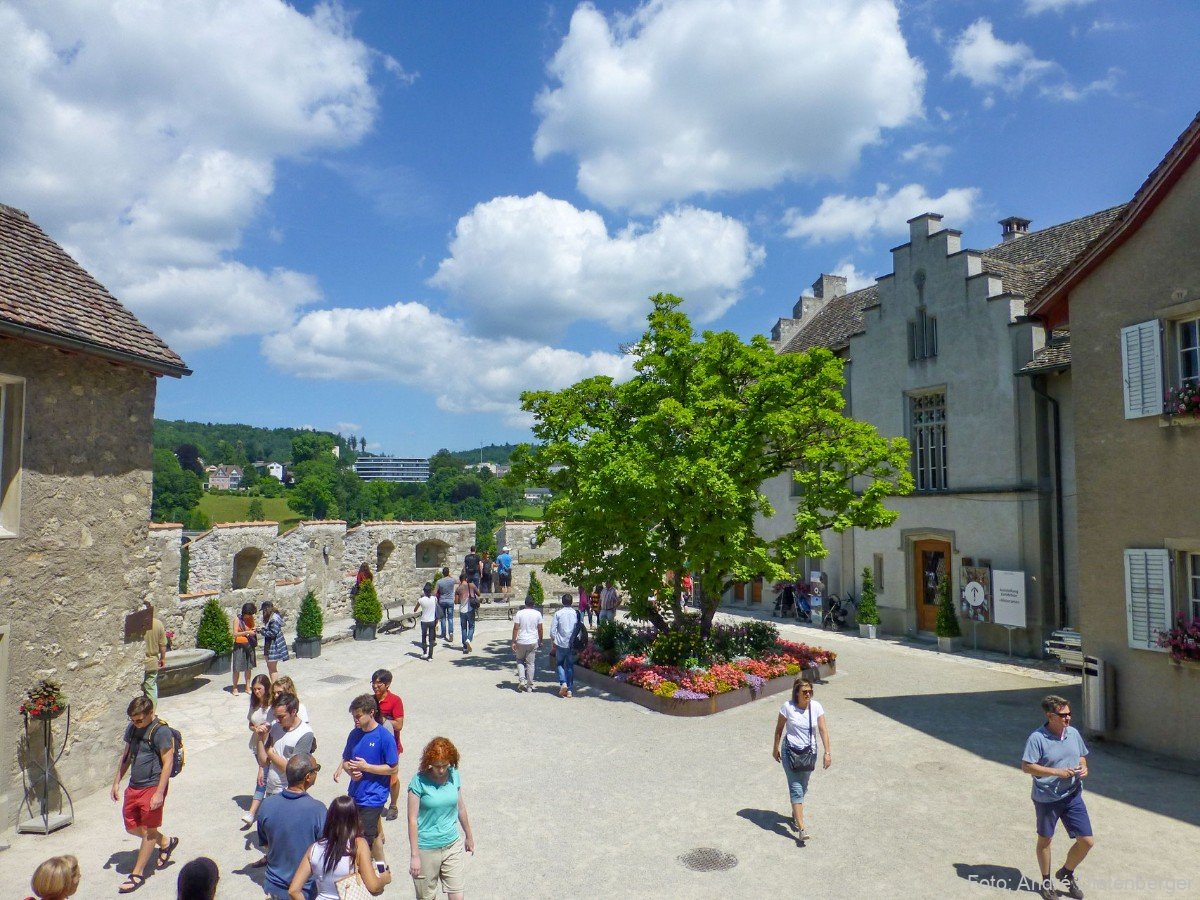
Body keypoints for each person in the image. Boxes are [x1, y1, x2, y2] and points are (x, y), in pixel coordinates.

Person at [1021, 694, 1094, 900]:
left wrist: (1084, 767)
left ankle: (1066, 872)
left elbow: (1081, 755)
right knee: (1045, 840)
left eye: (1069, 714)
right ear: (1050, 715)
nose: (1068, 718)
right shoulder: (1037, 738)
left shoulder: (1072, 733)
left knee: (1087, 841)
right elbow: (1027, 766)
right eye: (1063, 715)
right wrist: (1057, 772)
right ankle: (1046, 882)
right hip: (1047, 799)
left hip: (1072, 795)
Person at [111, 695, 179, 894]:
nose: (136, 723)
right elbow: (126, 757)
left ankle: (137, 874)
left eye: (139, 719)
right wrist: (116, 782)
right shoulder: (132, 729)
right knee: (132, 827)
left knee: (149, 830)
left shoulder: (161, 731)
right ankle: (166, 842)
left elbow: (168, 762)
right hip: (134, 785)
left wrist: (159, 792)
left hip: (152, 785)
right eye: (133, 720)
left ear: (151, 713)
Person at [407, 737, 475, 900]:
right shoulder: (418, 782)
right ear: (429, 762)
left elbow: (461, 807)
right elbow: (412, 819)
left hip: (452, 844)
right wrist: (415, 855)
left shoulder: (454, 775)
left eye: (445, 765)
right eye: (438, 766)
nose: (442, 770)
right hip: (426, 848)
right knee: (426, 897)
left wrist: (469, 836)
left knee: (458, 895)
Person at [335, 694, 399, 863]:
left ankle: (362, 875)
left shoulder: (384, 737)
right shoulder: (354, 735)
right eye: (353, 717)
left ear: (371, 712)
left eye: (358, 716)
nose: (355, 720)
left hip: (374, 797)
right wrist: (351, 771)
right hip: (355, 794)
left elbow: (393, 768)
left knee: (363, 840)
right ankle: (381, 867)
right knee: (370, 835)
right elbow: (347, 762)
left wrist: (367, 767)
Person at [288, 796, 393, 900]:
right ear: (355, 818)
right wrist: (384, 879)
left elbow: (293, 891)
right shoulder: (358, 844)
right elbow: (373, 886)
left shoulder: (314, 848)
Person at [257, 754, 326, 900]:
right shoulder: (318, 810)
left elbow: (265, 843)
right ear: (308, 777)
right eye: (316, 769)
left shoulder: (267, 805)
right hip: (304, 890)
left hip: (273, 885)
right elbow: (325, 851)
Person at [771, 677, 831, 846]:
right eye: (804, 692)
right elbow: (779, 729)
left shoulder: (816, 707)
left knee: (803, 786)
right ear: (796, 693)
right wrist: (775, 748)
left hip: (809, 753)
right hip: (790, 751)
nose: (808, 694)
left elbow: (823, 730)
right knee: (796, 788)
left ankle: (795, 811)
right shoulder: (787, 707)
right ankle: (801, 827)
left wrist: (827, 752)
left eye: (810, 691)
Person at [257, 692, 316, 799]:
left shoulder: (305, 734)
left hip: (288, 792)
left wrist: (270, 753)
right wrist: (260, 739)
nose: (277, 720)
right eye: (276, 716)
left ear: (294, 712)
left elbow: (294, 770)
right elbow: (263, 762)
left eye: (281, 717)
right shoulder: (276, 727)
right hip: (271, 789)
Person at [370, 669, 405, 821]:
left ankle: (394, 804)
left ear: (388, 684)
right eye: (373, 682)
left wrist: (381, 720)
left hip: (391, 746)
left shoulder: (395, 701)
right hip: (373, 746)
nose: (375, 686)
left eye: (379, 683)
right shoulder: (370, 701)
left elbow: (399, 724)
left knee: (392, 778)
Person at [241, 673, 274, 828]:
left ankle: (252, 812)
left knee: (263, 776)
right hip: (257, 744)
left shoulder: (273, 705)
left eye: (259, 688)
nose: (256, 692)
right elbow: (250, 723)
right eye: (254, 689)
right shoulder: (254, 704)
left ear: (266, 688)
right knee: (265, 775)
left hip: (271, 745)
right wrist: (256, 728)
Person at [551, 593, 581, 698]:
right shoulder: (576, 613)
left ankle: (563, 682)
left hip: (560, 643)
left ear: (563, 602)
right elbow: (579, 628)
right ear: (571, 602)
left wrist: (553, 640)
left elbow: (552, 630)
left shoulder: (558, 613)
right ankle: (570, 690)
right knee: (570, 667)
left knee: (559, 663)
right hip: (571, 643)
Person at [511, 595, 543, 692]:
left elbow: (516, 628)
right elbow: (540, 629)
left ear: (525, 603)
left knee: (520, 660)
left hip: (521, 640)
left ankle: (522, 679)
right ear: (533, 604)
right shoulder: (538, 614)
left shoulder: (520, 613)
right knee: (531, 663)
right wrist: (541, 640)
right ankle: (529, 685)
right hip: (532, 641)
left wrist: (513, 641)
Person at [231, 602, 258, 697]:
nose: (250, 616)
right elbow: (234, 634)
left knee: (248, 667)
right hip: (239, 645)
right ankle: (235, 687)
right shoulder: (237, 619)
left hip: (249, 644)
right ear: (245, 612)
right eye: (249, 614)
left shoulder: (251, 618)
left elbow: (253, 628)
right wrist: (247, 632)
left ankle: (247, 686)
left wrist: (254, 630)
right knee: (237, 667)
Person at [142, 606, 167, 705]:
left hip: (139, 663)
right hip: (152, 661)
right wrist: (163, 658)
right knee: (151, 688)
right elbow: (163, 644)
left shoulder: (137, 625)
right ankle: (152, 712)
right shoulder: (158, 624)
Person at [260, 600, 289, 680]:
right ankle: (274, 685)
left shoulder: (274, 619)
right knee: (270, 668)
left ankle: (274, 686)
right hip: (270, 645)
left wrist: (261, 631)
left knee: (272, 668)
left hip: (273, 646)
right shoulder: (273, 617)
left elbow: (273, 633)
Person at [413, 582, 439, 660]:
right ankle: (430, 656)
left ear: (424, 591)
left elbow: (415, 610)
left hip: (424, 621)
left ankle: (425, 653)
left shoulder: (421, 600)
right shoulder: (434, 599)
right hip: (432, 620)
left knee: (424, 636)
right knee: (431, 639)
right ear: (430, 591)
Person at [434, 566, 457, 643]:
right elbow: (458, 581)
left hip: (442, 601)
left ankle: (443, 634)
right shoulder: (452, 580)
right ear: (448, 572)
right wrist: (450, 576)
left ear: (442, 573)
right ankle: (451, 632)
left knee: (443, 618)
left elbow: (435, 592)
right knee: (450, 618)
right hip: (450, 601)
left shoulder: (439, 581)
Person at [457, 574, 479, 653]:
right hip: (470, 609)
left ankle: (465, 647)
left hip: (462, 610)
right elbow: (479, 593)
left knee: (463, 628)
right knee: (471, 626)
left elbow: (456, 601)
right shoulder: (472, 585)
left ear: (460, 580)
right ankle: (469, 640)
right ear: (466, 579)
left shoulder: (458, 588)